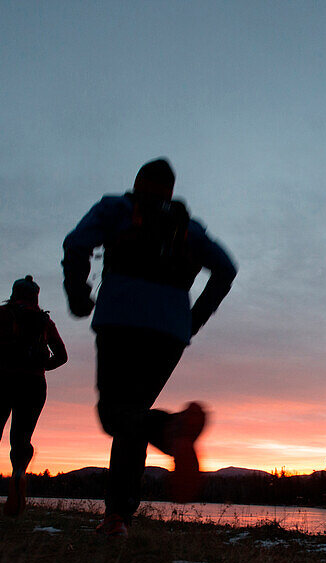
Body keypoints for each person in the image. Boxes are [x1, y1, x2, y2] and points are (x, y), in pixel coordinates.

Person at [62, 158, 237, 537]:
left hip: (120, 320)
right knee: (132, 416)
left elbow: (76, 244)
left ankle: (170, 431)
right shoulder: (189, 229)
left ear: (138, 183)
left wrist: (77, 293)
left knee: (115, 415)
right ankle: (117, 518)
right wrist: (193, 319)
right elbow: (226, 268)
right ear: (171, 191)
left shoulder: (116, 209)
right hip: (169, 332)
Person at [0, 275, 68, 515]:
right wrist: (41, 369)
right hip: (34, 384)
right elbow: (62, 355)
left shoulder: (1, 312)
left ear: (14, 293)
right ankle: (19, 473)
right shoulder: (45, 322)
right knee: (22, 439)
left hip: (2, 377)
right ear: (36, 297)